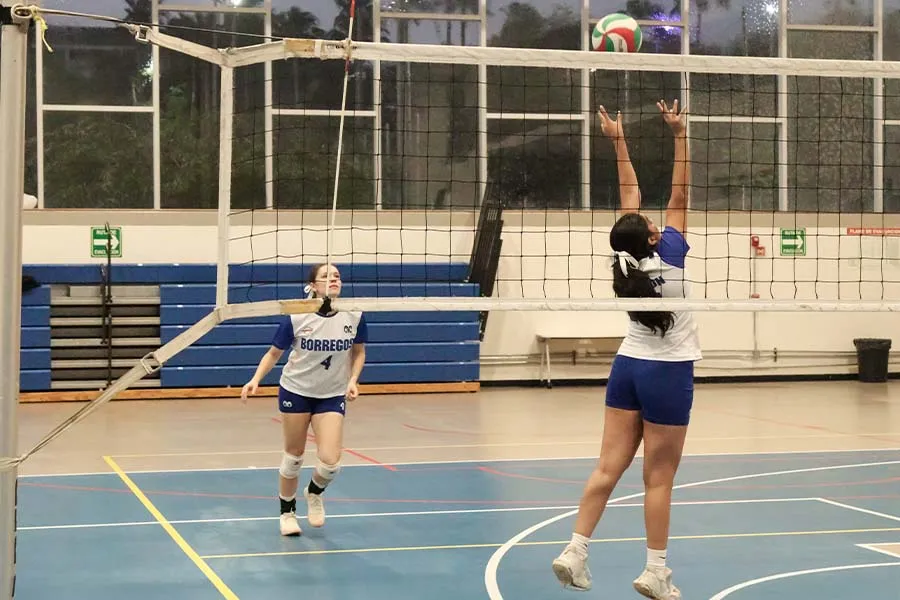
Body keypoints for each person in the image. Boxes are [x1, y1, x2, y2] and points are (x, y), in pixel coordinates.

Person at [551, 99, 700, 600]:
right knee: (659, 478)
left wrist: (617, 141)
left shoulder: (623, 259)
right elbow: (679, 192)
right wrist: (679, 134)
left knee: (606, 467)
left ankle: (575, 550)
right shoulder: (671, 254)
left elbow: (629, 195)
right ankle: (655, 571)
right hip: (668, 372)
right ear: (653, 236)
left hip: (628, 366)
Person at [241, 262, 367, 536]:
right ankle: (287, 513)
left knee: (330, 462)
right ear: (313, 286)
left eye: (337, 276)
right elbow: (274, 353)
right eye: (326, 276)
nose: (333, 279)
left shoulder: (354, 314)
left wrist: (353, 380)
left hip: (331, 394)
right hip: (296, 390)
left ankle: (314, 492)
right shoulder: (297, 316)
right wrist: (255, 379)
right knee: (293, 457)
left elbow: (358, 352)